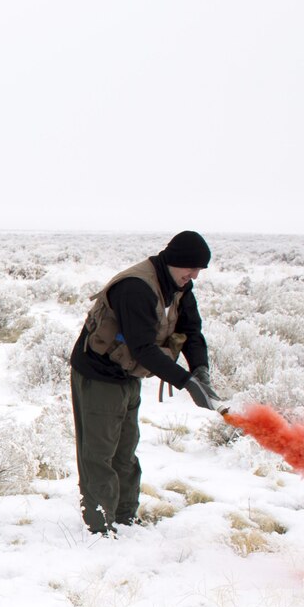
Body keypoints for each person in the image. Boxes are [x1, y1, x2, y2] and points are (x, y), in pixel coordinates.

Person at [69, 229, 221, 535]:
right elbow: (142, 347)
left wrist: (200, 370)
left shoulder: (179, 286)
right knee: (99, 455)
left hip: (128, 375)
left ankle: (125, 519)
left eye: (199, 270)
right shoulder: (136, 287)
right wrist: (186, 382)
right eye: (191, 268)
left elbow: (192, 331)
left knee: (125, 451)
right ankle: (101, 528)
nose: (195, 276)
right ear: (174, 261)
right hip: (98, 376)